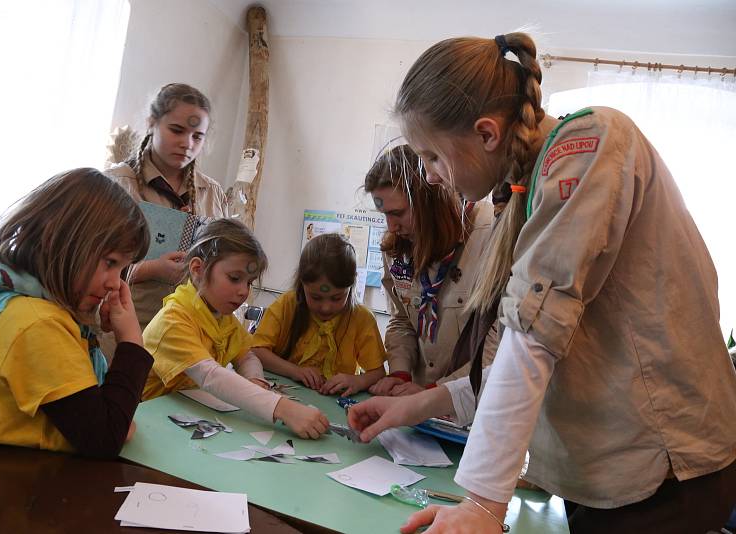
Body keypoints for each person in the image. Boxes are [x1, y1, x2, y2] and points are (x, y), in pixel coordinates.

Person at [348, 33, 736, 533]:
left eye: (432, 157)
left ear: (487, 134)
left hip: (662, 470)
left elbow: (532, 338)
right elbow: (510, 356)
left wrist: (482, 504)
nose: (432, 176)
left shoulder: (590, 143)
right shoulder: (525, 192)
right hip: (606, 469)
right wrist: (414, 407)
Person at [0, 168, 153, 459]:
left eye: (123, 269)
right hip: (11, 490)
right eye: (110, 261)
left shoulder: (12, 300)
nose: (115, 283)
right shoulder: (38, 324)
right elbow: (106, 438)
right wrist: (131, 340)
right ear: (58, 240)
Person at [142, 218, 330, 439]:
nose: (243, 291)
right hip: (150, 424)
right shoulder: (173, 320)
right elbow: (210, 376)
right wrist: (283, 408)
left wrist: (256, 381)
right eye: (234, 278)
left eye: (249, 282)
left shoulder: (223, 317)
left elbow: (246, 356)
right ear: (198, 269)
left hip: (188, 417)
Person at [364, 144, 495, 397]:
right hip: (416, 399)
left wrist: (435, 395)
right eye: (384, 215)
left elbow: (497, 346)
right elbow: (402, 319)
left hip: (471, 401)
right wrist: (400, 374)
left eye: (397, 213)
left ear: (430, 201)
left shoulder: (491, 236)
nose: (391, 227)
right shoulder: (395, 249)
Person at [107, 83, 229, 333]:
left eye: (197, 136)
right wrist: (151, 269)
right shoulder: (117, 184)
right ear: (152, 123)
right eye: (177, 130)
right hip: (126, 328)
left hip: (186, 336)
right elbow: (88, 264)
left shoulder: (212, 193)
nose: (187, 143)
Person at [251, 233, 386, 396]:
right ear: (302, 283)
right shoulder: (287, 304)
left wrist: (358, 381)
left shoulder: (362, 319)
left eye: (337, 298)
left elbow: (378, 373)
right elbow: (257, 351)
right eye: (315, 297)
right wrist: (295, 371)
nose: (326, 308)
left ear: (351, 286)